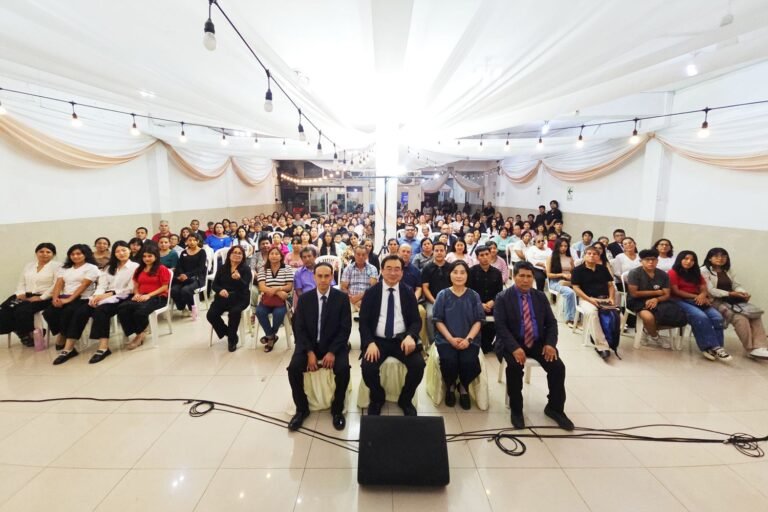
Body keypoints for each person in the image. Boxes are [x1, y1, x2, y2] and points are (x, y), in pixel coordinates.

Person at [494, 261, 573, 431]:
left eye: (529, 276)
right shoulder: (503, 298)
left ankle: (555, 408)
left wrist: (550, 344)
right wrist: (515, 348)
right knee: (514, 367)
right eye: (521, 276)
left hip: (537, 342)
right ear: (514, 276)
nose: (525, 280)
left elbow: (551, 323)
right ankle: (516, 410)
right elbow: (500, 327)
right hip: (512, 342)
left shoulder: (540, 297)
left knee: (558, 367)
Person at [287, 262, 352, 432]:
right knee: (293, 369)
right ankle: (302, 409)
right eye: (320, 276)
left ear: (332, 277)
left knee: (343, 369)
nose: (323, 280)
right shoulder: (305, 299)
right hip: (309, 345)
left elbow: (345, 329)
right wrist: (309, 352)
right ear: (314, 277)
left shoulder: (341, 298)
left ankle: (337, 410)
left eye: (327, 276)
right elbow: (299, 328)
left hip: (333, 345)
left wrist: (332, 352)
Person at [359, 254, 424, 416]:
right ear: (381, 270)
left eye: (397, 269)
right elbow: (363, 322)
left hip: (401, 339)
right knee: (368, 368)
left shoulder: (408, 292)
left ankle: (405, 399)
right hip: (377, 340)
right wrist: (369, 343)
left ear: (402, 272)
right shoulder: (371, 292)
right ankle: (377, 398)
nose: (393, 273)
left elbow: (416, 321)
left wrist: (410, 336)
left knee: (418, 365)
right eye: (388, 269)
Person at [433, 261, 485, 410]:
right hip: (446, 339)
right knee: (449, 360)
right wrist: (450, 339)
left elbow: (479, 320)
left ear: (467, 275)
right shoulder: (443, 295)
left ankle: (463, 387)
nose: (459, 276)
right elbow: (437, 320)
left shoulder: (474, 295)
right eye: (455, 272)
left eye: (462, 272)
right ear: (449, 274)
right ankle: (450, 386)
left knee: (468, 361)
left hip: (470, 339)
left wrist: (468, 339)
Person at [701, 247, 768, 359]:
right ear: (709, 258)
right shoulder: (703, 271)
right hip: (714, 301)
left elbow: (736, 285)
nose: (720, 258)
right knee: (740, 317)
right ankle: (750, 349)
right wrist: (730, 293)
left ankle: (761, 347)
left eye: (723, 256)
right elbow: (711, 290)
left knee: (754, 314)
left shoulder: (728, 270)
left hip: (732, 300)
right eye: (716, 256)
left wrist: (743, 292)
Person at [669, 250, 731, 361]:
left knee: (717, 317)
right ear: (680, 259)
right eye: (686, 259)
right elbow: (676, 291)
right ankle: (709, 347)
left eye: (692, 260)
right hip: (679, 300)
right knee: (700, 316)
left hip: (697, 300)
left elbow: (704, 288)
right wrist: (697, 297)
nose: (689, 262)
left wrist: (702, 295)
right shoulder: (673, 272)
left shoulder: (696, 272)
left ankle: (718, 348)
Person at [44, 244, 100, 364]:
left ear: (85, 255)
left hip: (83, 298)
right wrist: (55, 298)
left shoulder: (91, 268)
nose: (75, 256)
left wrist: (69, 300)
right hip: (65, 297)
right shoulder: (65, 268)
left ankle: (68, 349)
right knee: (49, 312)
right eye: (72, 254)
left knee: (69, 312)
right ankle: (62, 334)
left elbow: (84, 285)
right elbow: (59, 284)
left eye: (78, 254)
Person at [85, 241, 139, 363]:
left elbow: (131, 288)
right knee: (85, 308)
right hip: (107, 295)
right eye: (117, 251)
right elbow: (102, 285)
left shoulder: (135, 266)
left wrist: (108, 294)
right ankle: (69, 345)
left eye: (124, 250)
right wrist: (96, 296)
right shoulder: (109, 267)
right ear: (114, 253)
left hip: (125, 296)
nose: (121, 253)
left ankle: (103, 347)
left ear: (130, 251)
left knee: (101, 310)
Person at [0, 243, 60, 347]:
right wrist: (20, 293)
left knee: (22, 310)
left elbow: (56, 285)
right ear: (36, 253)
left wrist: (41, 297)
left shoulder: (57, 266)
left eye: (48, 252)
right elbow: (21, 281)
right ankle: (21, 331)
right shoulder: (29, 265)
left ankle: (26, 334)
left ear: (53, 254)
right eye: (41, 251)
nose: (44, 254)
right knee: (5, 307)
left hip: (44, 297)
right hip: (25, 294)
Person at [117, 243, 172, 351]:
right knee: (122, 308)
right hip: (142, 296)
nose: (146, 259)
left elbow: (164, 287)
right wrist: (136, 294)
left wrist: (148, 295)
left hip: (158, 297)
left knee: (140, 311)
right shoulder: (139, 269)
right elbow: (136, 286)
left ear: (156, 256)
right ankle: (139, 332)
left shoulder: (162, 269)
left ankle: (140, 335)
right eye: (144, 256)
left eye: (150, 256)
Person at [626, 249, 684, 350]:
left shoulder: (663, 274)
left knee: (673, 313)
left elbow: (666, 294)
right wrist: (657, 293)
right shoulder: (635, 273)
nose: (651, 262)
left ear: (657, 261)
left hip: (658, 300)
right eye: (647, 260)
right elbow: (634, 293)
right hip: (637, 300)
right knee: (648, 317)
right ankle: (655, 336)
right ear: (641, 261)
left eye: (653, 260)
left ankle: (647, 330)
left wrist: (656, 299)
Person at [570, 246, 616, 360]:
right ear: (584, 256)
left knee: (616, 315)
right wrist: (590, 300)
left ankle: (612, 341)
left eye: (595, 254)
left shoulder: (603, 269)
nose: (591, 256)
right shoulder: (577, 270)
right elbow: (576, 288)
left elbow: (610, 285)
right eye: (589, 253)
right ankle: (602, 346)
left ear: (598, 257)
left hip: (605, 299)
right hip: (586, 299)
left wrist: (611, 298)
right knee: (592, 312)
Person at [207, 245, 252, 352]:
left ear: (243, 256)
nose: (237, 255)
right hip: (223, 297)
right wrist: (220, 290)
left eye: (240, 253)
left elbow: (245, 287)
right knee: (211, 315)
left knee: (234, 312)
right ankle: (230, 333)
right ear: (229, 255)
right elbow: (215, 285)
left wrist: (239, 279)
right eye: (234, 252)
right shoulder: (223, 268)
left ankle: (232, 341)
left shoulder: (246, 269)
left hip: (240, 297)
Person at [255, 247, 294, 352]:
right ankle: (271, 336)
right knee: (259, 311)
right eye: (271, 253)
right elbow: (262, 287)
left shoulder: (287, 268)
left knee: (278, 313)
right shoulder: (263, 269)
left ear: (281, 256)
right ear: (268, 256)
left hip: (283, 299)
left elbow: (289, 286)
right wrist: (277, 292)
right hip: (267, 298)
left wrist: (277, 289)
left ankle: (269, 336)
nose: (274, 256)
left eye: (277, 254)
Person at [468, 245, 503, 353]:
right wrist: (480, 304)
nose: (485, 257)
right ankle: (478, 344)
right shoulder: (471, 272)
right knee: (477, 315)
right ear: (477, 257)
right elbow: (469, 291)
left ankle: (491, 344)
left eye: (487, 254)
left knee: (502, 315)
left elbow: (499, 292)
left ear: (490, 255)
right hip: (475, 303)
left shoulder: (497, 272)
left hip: (492, 304)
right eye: (482, 255)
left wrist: (493, 301)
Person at [171, 233, 207, 319]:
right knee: (174, 290)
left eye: (194, 240)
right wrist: (181, 274)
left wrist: (187, 275)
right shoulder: (184, 252)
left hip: (197, 278)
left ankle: (192, 309)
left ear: (198, 241)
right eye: (190, 240)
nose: (192, 242)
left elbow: (200, 268)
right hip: (183, 278)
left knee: (185, 290)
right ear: (186, 241)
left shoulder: (202, 252)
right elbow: (179, 266)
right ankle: (182, 308)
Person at [422, 242, 451, 344]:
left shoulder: (451, 267)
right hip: (432, 300)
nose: (439, 253)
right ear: (432, 252)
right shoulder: (427, 268)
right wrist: (435, 301)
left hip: (449, 300)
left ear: (445, 252)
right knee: (431, 315)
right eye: (436, 250)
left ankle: (449, 340)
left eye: (441, 250)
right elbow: (425, 288)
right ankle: (433, 342)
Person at [546, 238, 577, 327]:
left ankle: (578, 316)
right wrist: (562, 274)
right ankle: (570, 319)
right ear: (557, 246)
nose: (563, 248)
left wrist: (571, 276)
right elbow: (548, 274)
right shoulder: (551, 258)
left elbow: (573, 271)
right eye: (561, 246)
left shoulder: (570, 258)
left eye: (565, 246)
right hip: (555, 282)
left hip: (569, 281)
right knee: (570, 292)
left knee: (581, 290)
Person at [340, 246, 378, 315]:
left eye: (363, 255)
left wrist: (359, 298)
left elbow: (373, 288)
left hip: (367, 300)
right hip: (351, 300)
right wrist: (351, 299)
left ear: (367, 255)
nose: (361, 257)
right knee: (342, 313)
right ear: (354, 255)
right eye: (358, 254)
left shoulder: (372, 269)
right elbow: (343, 287)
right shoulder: (348, 269)